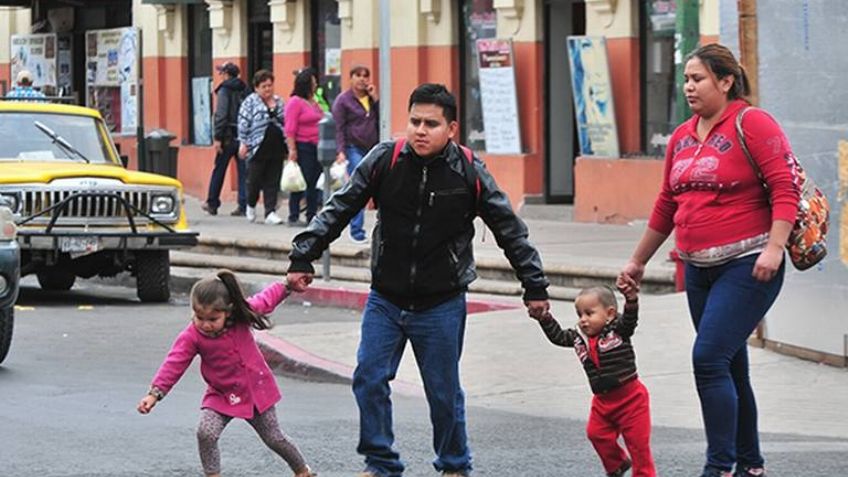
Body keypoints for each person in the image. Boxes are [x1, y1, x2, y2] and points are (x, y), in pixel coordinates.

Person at [286, 83, 551, 477]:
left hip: (441, 302)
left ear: (452, 128)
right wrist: (303, 254)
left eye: (431, 123)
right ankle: (381, 465)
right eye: (414, 122)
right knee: (369, 379)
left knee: (443, 393)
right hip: (386, 299)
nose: (420, 130)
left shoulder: (467, 170)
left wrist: (534, 285)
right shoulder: (385, 159)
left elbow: (509, 229)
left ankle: (454, 466)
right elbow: (340, 206)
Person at [619, 44, 799, 477]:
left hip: (749, 263)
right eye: (685, 79)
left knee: (708, 358)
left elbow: (785, 187)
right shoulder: (682, 136)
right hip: (697, 268)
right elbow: (667, 202)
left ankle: (718, 467)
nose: (688, 87)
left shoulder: (751, 122)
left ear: (725, 81)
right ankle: (751, 465)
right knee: (730, 363)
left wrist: (775, 247)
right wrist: (638, 260)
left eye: (697, 78)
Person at [137, 269, 316, 477]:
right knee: (205, 433)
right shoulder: (192, 335)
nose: (205, 324)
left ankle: (302, 470)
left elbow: (266, 299)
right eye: (199, 317)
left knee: (274, 438)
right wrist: (155, 393)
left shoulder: (242, 316)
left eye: (212, 319)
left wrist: (287, 285)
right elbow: (175, 362)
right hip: (221, 393)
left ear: (228, 312)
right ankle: (213, 474)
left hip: (255, 391)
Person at [531, 279, 656, 477]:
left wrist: (631, 300)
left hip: (632, 400)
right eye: (580, 315)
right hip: (603, 402)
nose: (583, 319)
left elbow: (630, 319)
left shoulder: (619, 330)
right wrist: (544, 318)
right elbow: (557, 337)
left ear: (610, 314)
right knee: (596, 434)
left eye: (589, 313)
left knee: (638, 446)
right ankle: (617, 463)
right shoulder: (578, 338)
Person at [331, 65, 379, 244]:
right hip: (353, 148)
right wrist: (341, 151)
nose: (362, 79)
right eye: (358, 76)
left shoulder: (370, 99)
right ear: (350, 78)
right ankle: (356, 231)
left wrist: (376, 99)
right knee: (358, 187)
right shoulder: (343, 101)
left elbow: (383, 118)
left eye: (366, 76)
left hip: (372, 147)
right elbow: (339, 128)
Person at [238, 69, 287, 225]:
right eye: (264, 86)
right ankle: (251, 205)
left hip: (276, 145)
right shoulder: (250, 102)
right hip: (257, 146)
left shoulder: (279, 101)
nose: (268, 89)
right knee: (254, 180)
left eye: (270, 85)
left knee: (273, 180)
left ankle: (270, 212)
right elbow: (244, 123)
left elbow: (285, 121)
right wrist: (243, 142)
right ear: (257, 88)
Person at [202, 62, 248, 217]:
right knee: (243, 171)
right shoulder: (245, 89)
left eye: (222, 73)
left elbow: (221, 115)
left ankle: (212, 203)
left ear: (227, 74)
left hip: (227, 136)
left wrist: (217, 138)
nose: (220, 75)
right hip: (242, 135)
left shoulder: (224, 90)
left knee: (219, 169)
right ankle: (244, 205)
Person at [284, 68, 325, 227]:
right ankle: (294, 214)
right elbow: (290, 128)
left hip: (317, 145)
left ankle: (311, 214)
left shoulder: (314, 102)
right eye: (313, 82)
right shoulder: (295, 102)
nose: (315, 85)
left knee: (314, 181)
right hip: (303, 145)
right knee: (301, 180)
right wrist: (292, 149)